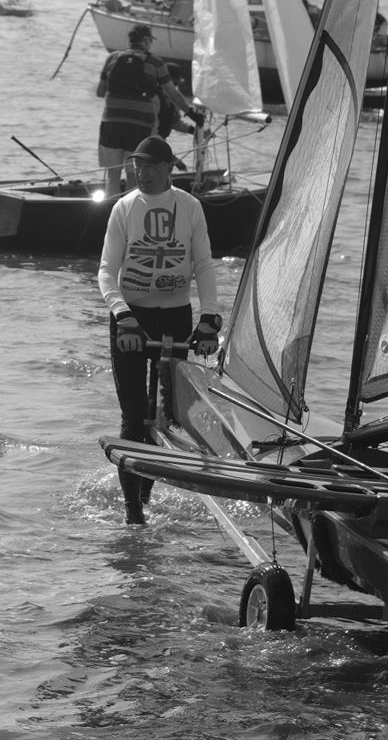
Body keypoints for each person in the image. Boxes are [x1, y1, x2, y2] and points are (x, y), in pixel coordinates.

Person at [98, 135, 223, 525]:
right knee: (135, 417)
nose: (142, 173)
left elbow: (203, 264)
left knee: (169, 414)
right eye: (138, 166)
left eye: (151, 166)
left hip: (175, 319)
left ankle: (147, 490)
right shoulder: (123, 207)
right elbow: (106, 271)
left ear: (170, 168)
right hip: (132, 320)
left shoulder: (189, 207)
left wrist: (209, 320)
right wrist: (123, 315)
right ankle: (133, 513)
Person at [96, 23, 202, 197]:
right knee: (133, 174)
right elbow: (172, 93)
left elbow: (100, 92)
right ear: (145, 40)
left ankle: (110, 213)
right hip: (139, 125)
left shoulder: (113, 58)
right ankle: (129, 215)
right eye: (151, 40)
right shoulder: (155, 62)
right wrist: (191, 114)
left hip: (111, 123)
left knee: (113, 175)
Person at [154, 65, 196, 142]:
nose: (174, 89)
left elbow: (175, 122)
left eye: (176, 85)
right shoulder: (154, 97)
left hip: (160, 140)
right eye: (174, 84)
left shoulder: (172, 103)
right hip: (150, 140)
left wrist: (194, 131)